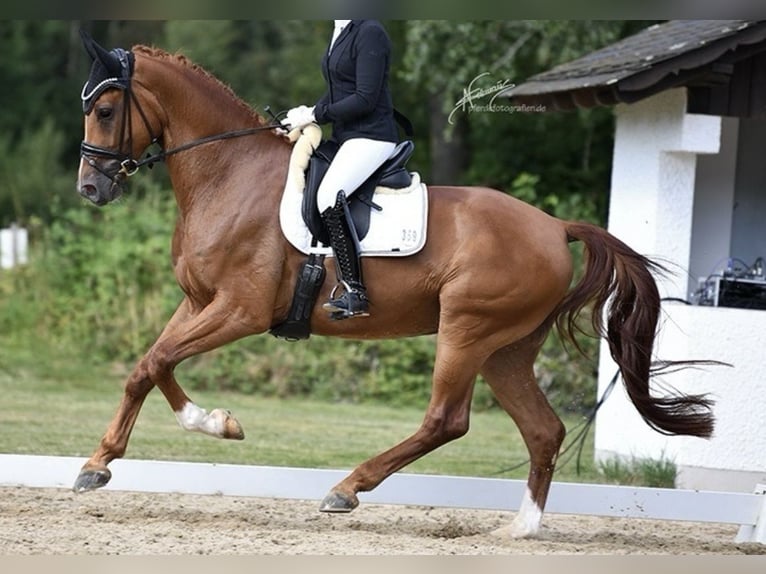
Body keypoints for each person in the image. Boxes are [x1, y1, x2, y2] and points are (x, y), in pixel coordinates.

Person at [282, 20, 399, 320]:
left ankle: (355, 291)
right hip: (346, 137)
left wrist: (316, 114)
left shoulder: (370, 31)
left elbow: (364, 98)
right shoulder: (340, 29)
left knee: (328, 196)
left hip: (373, 136)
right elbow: (339, 91)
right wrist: (304, 114)